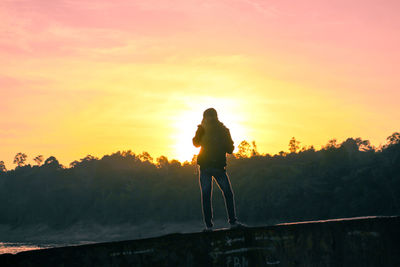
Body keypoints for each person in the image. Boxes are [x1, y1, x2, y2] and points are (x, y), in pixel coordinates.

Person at [192, 108, 245, 231]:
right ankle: (232, 223)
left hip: (207, 166)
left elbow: (195, 143)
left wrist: (200, 130)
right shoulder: (223, 130)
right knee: (227, 194)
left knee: (206, 196)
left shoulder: (203, 129)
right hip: (217, 167)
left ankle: (209, 227)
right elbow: (230, 149)